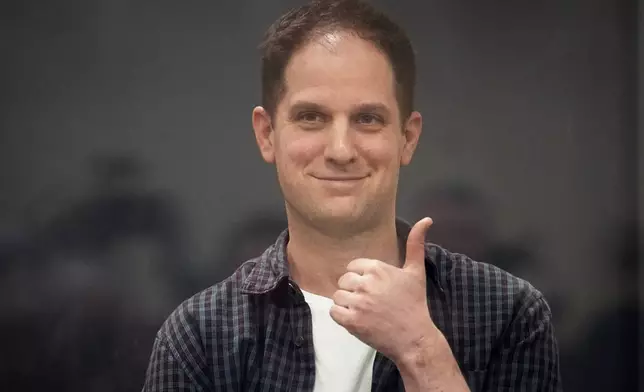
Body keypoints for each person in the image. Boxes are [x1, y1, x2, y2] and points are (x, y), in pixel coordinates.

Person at [142, 0, 561, 391]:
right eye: (311, 117)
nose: (340, 150)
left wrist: (421, 350)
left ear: (407, 138)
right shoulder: (199, 337)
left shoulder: (509, 314)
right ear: (267, 134)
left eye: (367, 118)